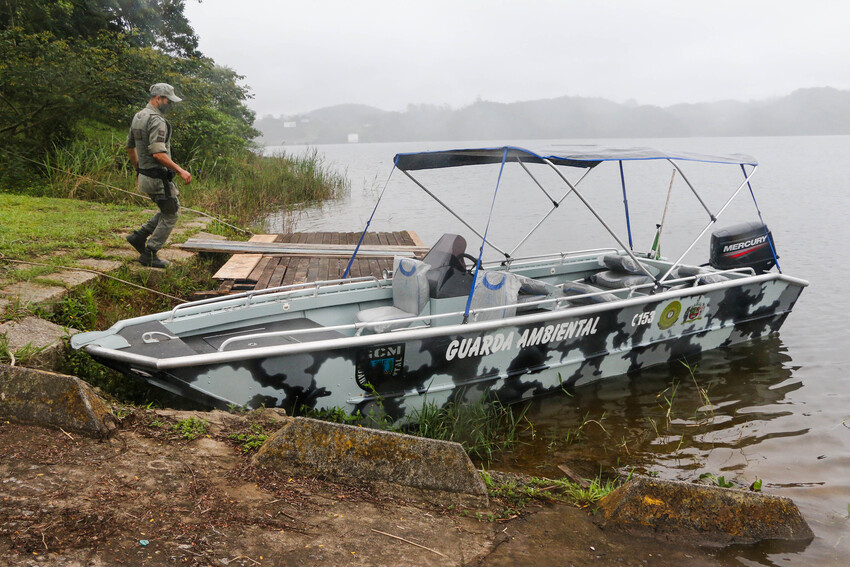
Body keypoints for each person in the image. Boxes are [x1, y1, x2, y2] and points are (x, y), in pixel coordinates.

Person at [125, 83, 192, 268]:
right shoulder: (156, 120)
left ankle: (138, 236)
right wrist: (180, 170)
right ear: (158, 98)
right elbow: (158, 154)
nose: (170, 104)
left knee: (168, 209)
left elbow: (130, 147)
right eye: (168, 101)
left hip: (146, 176)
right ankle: (150, 253)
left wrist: (138, 170)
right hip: (157, 178)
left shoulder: (139, 116)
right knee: (171, 214)